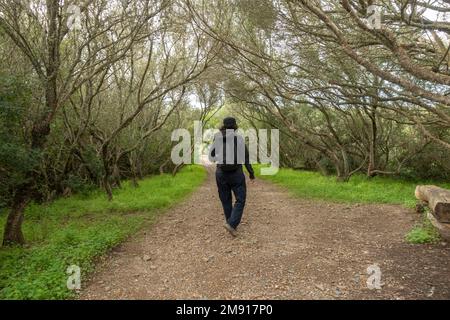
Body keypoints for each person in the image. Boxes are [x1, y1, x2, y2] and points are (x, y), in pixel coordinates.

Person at [209, 117, 255, 237]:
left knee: (226, 199)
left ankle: (231, 223)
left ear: (223, 126)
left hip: (220, 172)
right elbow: (245, 157)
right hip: (236, 173)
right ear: (235, 126)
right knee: (240, 199)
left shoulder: (217, 137)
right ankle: (232, 224)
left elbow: (212, 155)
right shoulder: (238, 138)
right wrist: (251, 173)